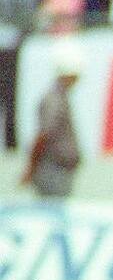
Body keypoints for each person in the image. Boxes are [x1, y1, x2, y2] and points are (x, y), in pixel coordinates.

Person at [20, 45, 81, 198]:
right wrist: (31, 168)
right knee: (52, 212)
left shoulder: (59, 97)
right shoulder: (53, 100)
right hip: (53, 168)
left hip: (58, 168)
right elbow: (43, 135)